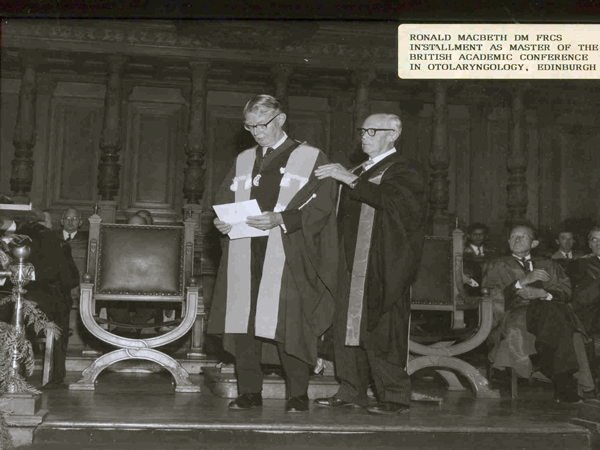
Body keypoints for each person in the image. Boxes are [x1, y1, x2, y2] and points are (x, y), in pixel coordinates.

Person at [207, 94, 338, 412]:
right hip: (245, 251)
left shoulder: (311, 157)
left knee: (289, 324)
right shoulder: (243, 160)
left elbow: (323, 205)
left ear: (280, 119)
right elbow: (224, 198)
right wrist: (221, 221)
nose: (256, 132)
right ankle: (249, 392)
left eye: (262, 125)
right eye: (249, 126)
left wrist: (281, 219)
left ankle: (298, 394)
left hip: (288, 251)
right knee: (244, 323)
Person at [313, 113, 426, 415]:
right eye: (362, 130)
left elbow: (394, 203)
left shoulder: (405, 168)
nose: (364, 136)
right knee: (345, 325)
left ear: (393, 134)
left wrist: (349, 179)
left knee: (381, 327)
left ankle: (394, 395)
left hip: (382, 262)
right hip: (349, 260)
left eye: (373, 131)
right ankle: (350, 389)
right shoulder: (359, 169)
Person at [484, 223, 593, 403]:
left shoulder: (549, 264)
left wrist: (543, 293)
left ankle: (548, 363)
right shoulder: (497, 265)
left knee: (552, 310)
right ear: (508, 241)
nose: (517, 239)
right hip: (518, 312)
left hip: (550, 310)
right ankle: (563, 381)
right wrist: (520, 283)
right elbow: (489, 296)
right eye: (513, 237)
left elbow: (566, 291)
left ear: (534, 243)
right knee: (560, 318)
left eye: (523, 236)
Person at [0, 206, 75, 389]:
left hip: (43, 299)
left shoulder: (49, 240)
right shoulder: (18, 237)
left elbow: (68, 278)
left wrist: (23, 277)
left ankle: (14, 372)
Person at [568, 226, 600, 336]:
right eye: (594, 239)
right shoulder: (580, 265)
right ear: (589, 244)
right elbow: (579, 300)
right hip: (593, 320)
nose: (598, 243)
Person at [463, 223, 498, 295]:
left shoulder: (492, 252)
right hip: (469, 289)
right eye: (474, 234)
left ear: (486, 236)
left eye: (481, 234)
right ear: (469, 236)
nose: (478, 236)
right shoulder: (463, 252)